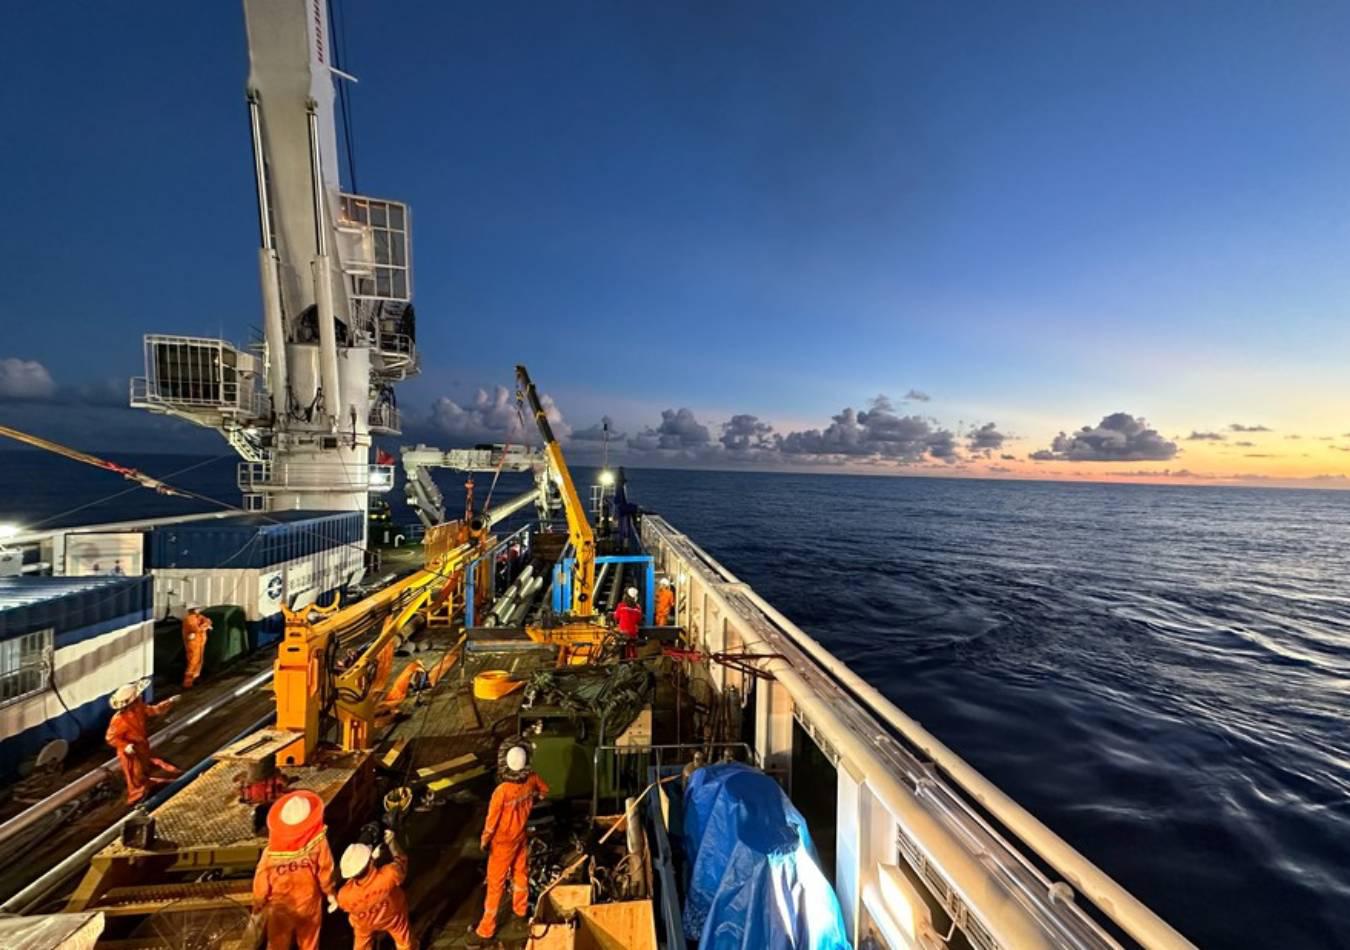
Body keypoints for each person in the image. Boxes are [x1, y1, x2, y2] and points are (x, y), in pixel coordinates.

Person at [474, 746, 549, 942]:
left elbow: (491, 821)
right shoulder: (531, 778)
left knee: (495, 884)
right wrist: (531, 800)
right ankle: (520, 911)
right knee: (520, 874)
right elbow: (544, 791)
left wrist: (484, 840)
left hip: (502, 842)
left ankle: (487, 928)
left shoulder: (502, 791)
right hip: (520, 836)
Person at [252, 790, 338, 950]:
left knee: (277, 944)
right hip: (309, 902)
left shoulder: (270, 852)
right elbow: (326, 871)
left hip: (280, 907)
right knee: (310, 942)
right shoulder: (318, 842)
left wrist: (258, 903)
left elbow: (261, 879)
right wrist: (331, 894)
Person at [105, 680, 180, 805]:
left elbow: (153, 710)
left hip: (141, 745)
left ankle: (146, 787)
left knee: (144, 769)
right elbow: (111, 738)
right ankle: (137, 798)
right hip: (130, 752)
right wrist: (125, 746)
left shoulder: (138, 706)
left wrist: (169, 702)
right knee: (134, 775)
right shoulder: (118, 719)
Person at [338, 829, 415, 950]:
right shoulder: (389, 874)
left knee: (361, 946)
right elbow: (401, 860)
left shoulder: (344, 895)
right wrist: (391, 842)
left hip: (364, 924)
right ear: (370, 862)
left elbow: (346, 905)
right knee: (404, 943)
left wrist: (371, 860)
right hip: (393, 917)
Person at [181, 606, 213, 689]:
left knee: (199, 661)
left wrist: (205, 624)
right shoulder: (188, 619)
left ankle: (196, 678)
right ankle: (187, 682)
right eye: (197, 609)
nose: (198, 610)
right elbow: (196, 629)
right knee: (192, 662)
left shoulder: (199, 617)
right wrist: (205, 626)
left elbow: (208, 621)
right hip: (192, 644)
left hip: (200, 642)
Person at [613, 588, 642, 659]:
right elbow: (639, 620)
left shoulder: (621, 606)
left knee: (622, 647)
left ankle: (622, 661)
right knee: (633, 646)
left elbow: (616, 617)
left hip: (623, 633)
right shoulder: (638, 608)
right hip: (633, 633)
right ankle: (634, 660)